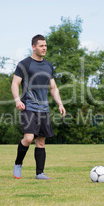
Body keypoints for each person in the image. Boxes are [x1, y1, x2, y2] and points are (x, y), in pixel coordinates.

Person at [11, 34, 66, 180]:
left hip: (44, 109)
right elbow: (15, 83)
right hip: (28, 106)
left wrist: (60, 103)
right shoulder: (25, 64)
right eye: (41, 46)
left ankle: (39, 173)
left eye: (45, 45)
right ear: (33, 47)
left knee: (41, 141)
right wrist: (17, 100)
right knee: (28, 138)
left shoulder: (48, 66)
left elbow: (53, 88)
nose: (44, 48)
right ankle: (18, 164)